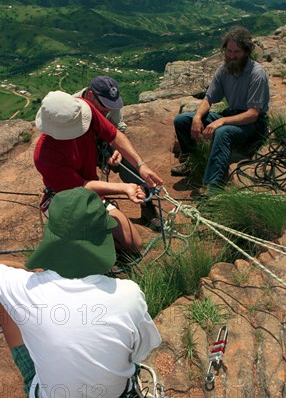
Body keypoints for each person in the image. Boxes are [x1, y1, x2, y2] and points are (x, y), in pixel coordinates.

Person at [0, 187, 162, 398]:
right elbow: (140, 353)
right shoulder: (129, 293)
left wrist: (30, 272)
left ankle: (34, 367)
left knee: (4, 295)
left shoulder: (27, 289)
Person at [33, 90, 163, 253]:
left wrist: (140, 165)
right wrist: (125, 188)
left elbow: (113, 135)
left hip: (90, 193)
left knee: (133, 244)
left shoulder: (83, 109)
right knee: (91, 249)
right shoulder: (45, 156)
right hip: (65, 199)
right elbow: (81, 187)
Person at [171, 26, 269, 194]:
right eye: (228, 51)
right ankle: (191, 162)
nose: (231, 56)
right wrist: (197, 117)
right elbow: (209, 98)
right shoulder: (224, 70)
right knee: (182, 121)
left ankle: (213, 187)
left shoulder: (256, 74)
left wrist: (221, 121)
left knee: (223, 132)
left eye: (236, 52)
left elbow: (253, 114)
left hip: (251, 124)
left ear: (247, 51)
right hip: (232, 115)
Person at [76, 76, 161, 231]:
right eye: (103, 108)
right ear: (89, 96)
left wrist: (119, 152)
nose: (108, 110)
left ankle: (148, 209)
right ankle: (91, 209)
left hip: (102, 141)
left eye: (111, 106)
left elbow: (115, 132)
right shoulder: (73, 107)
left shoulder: (110, 103)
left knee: (131, 164)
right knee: (84, 179)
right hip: (77, 144)